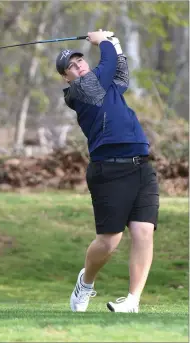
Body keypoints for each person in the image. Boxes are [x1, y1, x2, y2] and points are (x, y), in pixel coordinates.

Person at [55, 30, 159, 313]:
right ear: (67, 77)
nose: (79, 66)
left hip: (141, 165)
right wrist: (102, 42)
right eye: (72, 67)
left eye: (80, 61)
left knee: (144, 232)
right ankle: (85, 282)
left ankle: (133, 301)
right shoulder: (80, 91)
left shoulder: (106, 86)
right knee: (110, 240)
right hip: (109, 169)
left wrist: (114, 42)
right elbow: (109, 65)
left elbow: (120, 71)